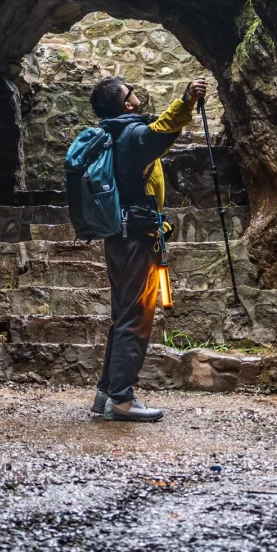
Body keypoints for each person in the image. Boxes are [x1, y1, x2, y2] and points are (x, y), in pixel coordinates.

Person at [88, 74, 208, 423]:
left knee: (121, 316)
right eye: (130, 91)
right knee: (136, 318)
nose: (136, 93)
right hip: (137, 239)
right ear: (126, 104)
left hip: (118, 237)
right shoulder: (132, 135)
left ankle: (105, 393)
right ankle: (122, 399)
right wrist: (186, 99)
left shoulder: (111, 135)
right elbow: (162, 131)